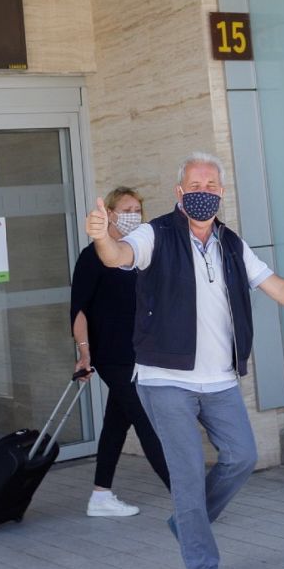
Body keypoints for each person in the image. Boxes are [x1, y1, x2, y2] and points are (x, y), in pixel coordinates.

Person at [86, 152, 284, 569]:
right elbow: (119, 256)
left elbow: (277, 286)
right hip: (165, 378)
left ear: (222, 193)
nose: (204, 191)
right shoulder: (157, 234)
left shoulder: (231, 244)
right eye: (195, 184)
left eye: (212, 185)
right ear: (179, 192)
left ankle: (190, 522)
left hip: (221, 379)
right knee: (188, 475)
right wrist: (101, 240)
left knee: (242, 456)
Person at [70, 186, 172, 517]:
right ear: (111, 213)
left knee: (117, 422)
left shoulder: (136, 255)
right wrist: (84, 354)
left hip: (138, 353)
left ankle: (100, 496)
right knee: (146, 421)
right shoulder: (92, 257)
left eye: (137, 209)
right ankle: (187, 497)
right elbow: (79, 310)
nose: (134, 215)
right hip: (112, 356)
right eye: (127, 208)